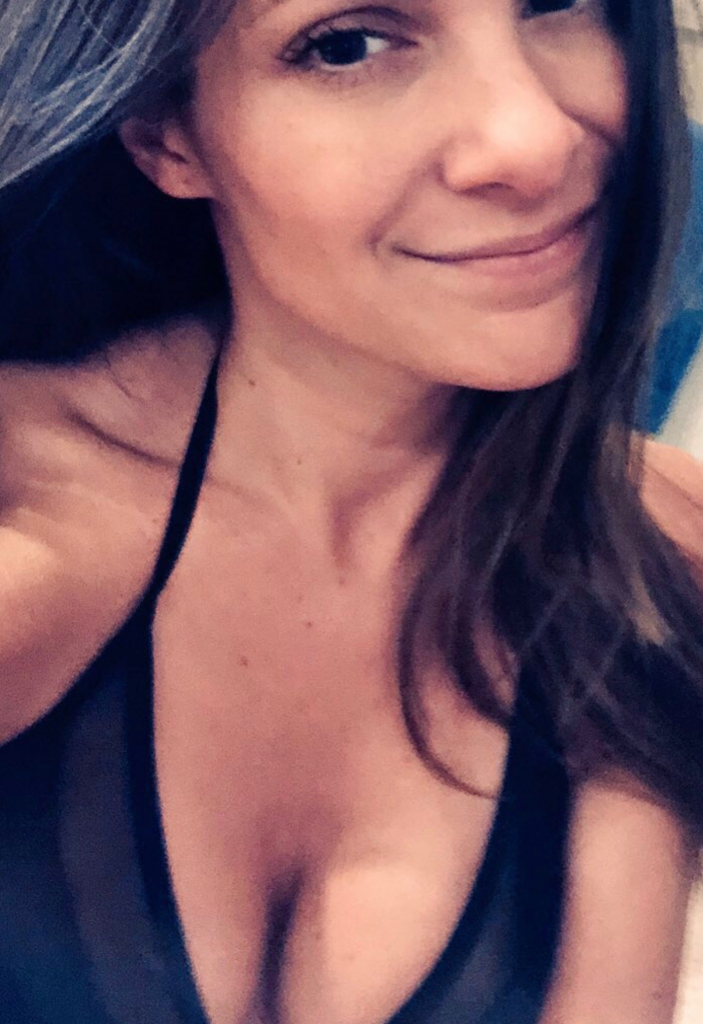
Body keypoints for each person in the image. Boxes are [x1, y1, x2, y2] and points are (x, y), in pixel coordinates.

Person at [0, 0, 702, 1022]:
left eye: (558, 0)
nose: (533, 139)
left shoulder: (654, 556)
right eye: (346, 45)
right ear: (166, 135)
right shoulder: (34, 520)